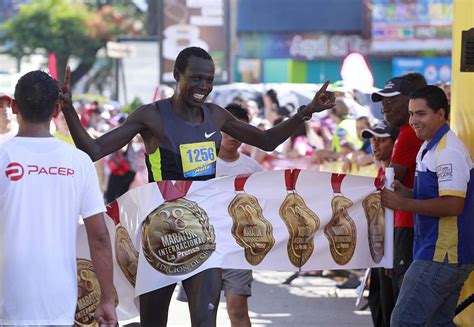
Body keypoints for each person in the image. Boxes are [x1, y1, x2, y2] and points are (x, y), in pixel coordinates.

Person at [60, 46, 335, 327]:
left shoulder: (216, 116)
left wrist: (307, 112)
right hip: (160, 237)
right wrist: (69, 110)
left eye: (209, 80)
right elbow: (93, 149)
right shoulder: (151, 116)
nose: (204, 86)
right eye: (196, 78)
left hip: (204, 235)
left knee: (205, 322)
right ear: (177, 75)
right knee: (153, 323)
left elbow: (265, 141)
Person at [0, 71, 117, 325]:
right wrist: (107, 298)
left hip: (7, 303)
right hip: (58, 304)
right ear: (56, 110)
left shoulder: (2, 156)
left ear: (16, 107)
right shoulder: (78, 162)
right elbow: (98, 237)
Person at [381, 85, 474, 326]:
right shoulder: (429, 145)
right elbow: (437, 195)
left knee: (403, 322)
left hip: (441, 255)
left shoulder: (448, 151)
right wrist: (408, 193)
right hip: (439, 253)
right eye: (412, 114)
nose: (413, 121)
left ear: (441, 114)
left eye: (421, 114)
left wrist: (404, 203)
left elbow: (453, 205)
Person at [177, 103, 261, 327]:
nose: (234, 135)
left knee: (238, 309)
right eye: (228, 129)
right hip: (203, 249)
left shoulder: (252, 168)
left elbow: (263, 209)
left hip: (237, 249)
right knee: (204, 314)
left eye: (240, 129)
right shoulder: (200, 163)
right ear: (216, 128)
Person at [371, 77, 423, 302]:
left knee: (402, 305)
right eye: (383, 100)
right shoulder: (407, 133)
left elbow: (390, 182)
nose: (385, 106)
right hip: (403, 222)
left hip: (407, 224)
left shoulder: (409, 134)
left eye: (392, 100)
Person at [361, 121, 399, 327]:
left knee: (388, 308)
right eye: (372, 140)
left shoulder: (397, 175)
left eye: (382, 140)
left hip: (392, 249)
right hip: (378, 250)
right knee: (377, 303)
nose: (375, 145)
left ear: (396, 143)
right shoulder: (380, 173)